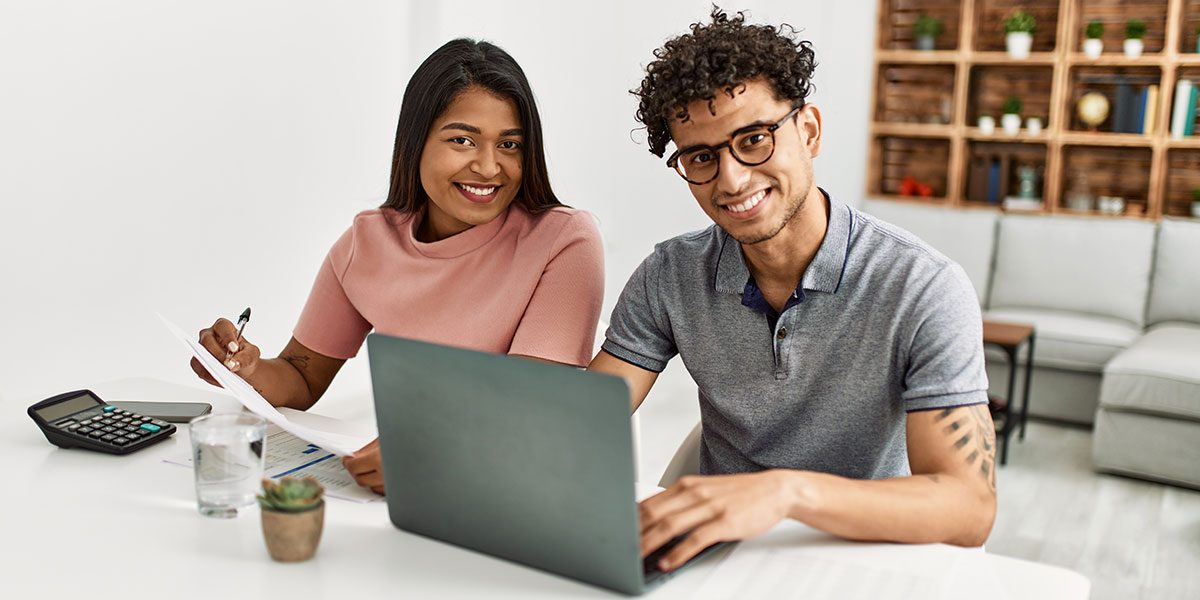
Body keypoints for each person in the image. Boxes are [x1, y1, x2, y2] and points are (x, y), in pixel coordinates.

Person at [587, 9, 996, 571]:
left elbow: (969, 509)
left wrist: (786, 493)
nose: (731, 179)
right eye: (702, 157)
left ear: (809, 131)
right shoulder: (670, 275)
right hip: (721, 561)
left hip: (868, 560)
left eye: (753, 139)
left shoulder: (924, 287)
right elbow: (582, 422)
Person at [192, 39, 604, 494]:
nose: (490, 167)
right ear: (415, 141)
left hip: (520, 491)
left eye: (509, 145)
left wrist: (427, 454)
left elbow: (531, 405)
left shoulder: (564, 241)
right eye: (462, 140)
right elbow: (301, 375)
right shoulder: (365, 245)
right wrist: (246, 372)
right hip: (412, 498)